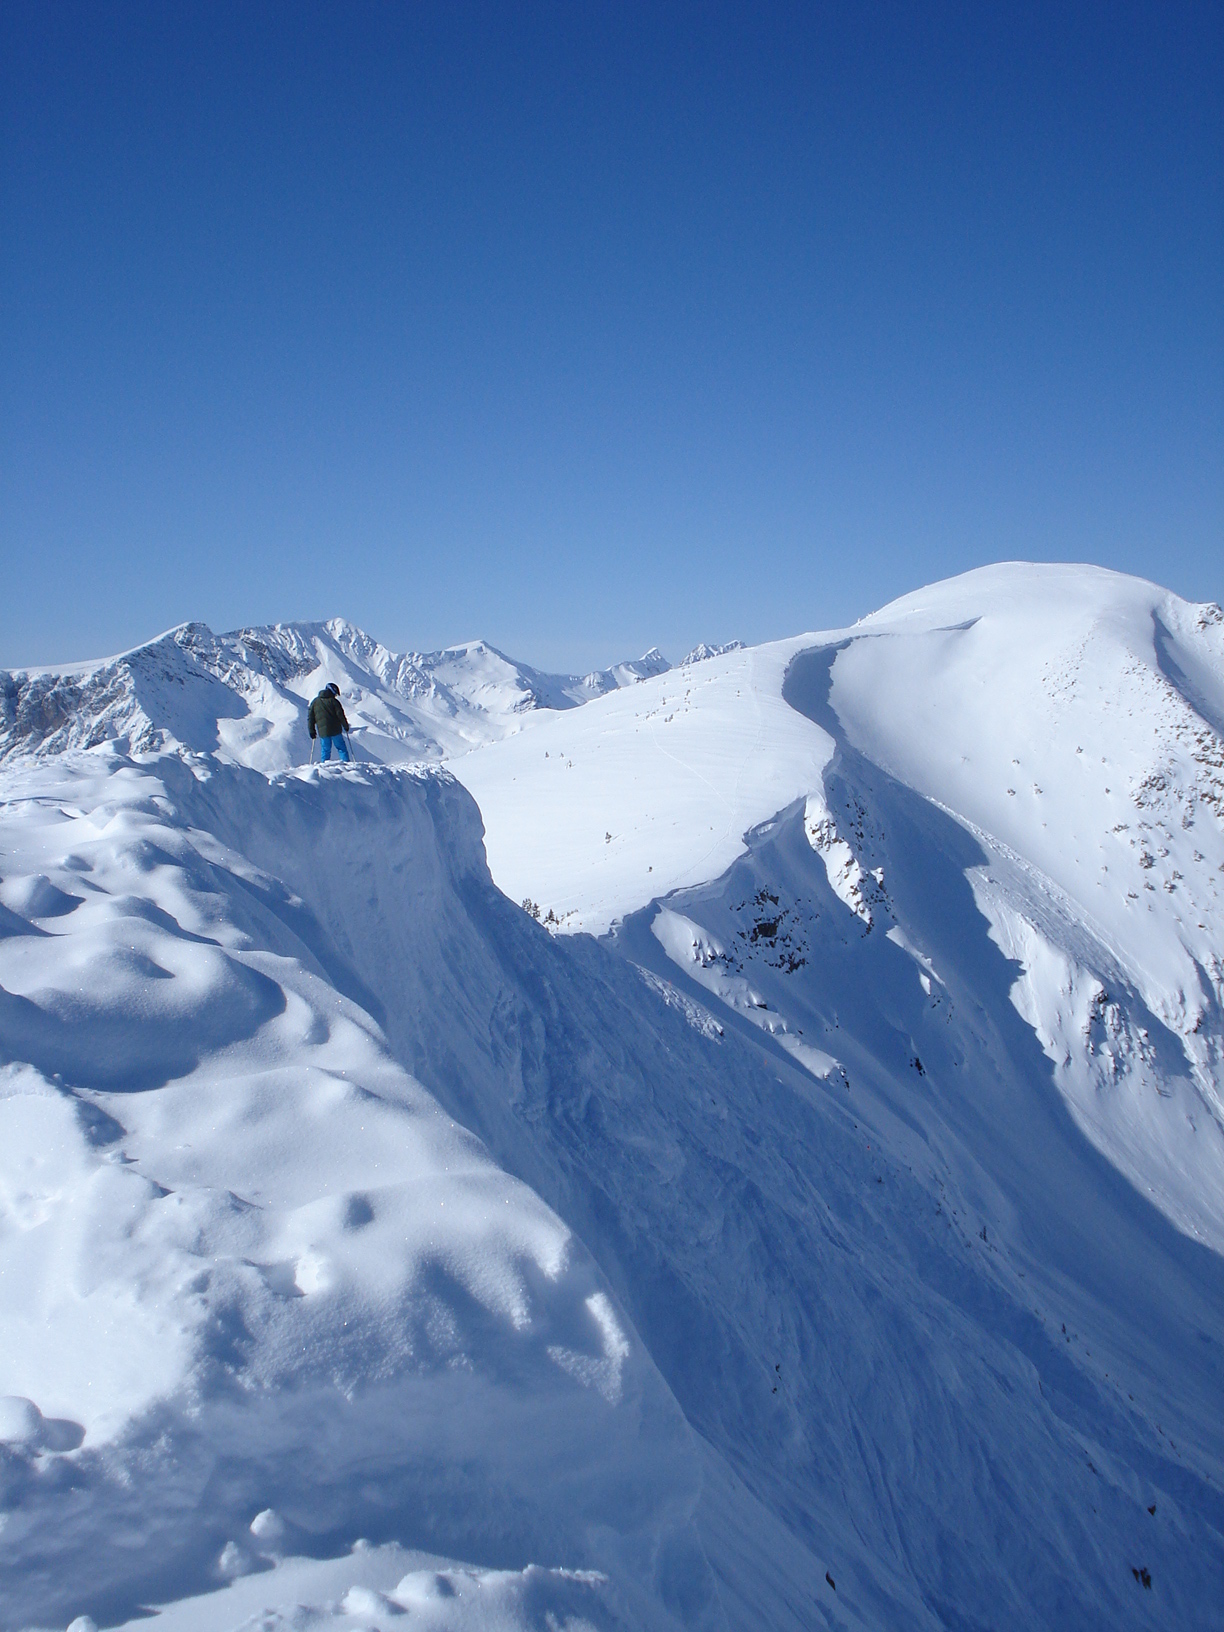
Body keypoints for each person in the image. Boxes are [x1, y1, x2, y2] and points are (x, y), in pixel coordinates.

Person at [308, 682, 351, 762]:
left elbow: (311, 717)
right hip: (336, 730)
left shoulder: (315, 702)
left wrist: (311, 731)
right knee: (341, 748)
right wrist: (346, 726)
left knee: (325, 750)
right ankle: (346, 764)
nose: (335, 696)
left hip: (323, 732)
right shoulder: (334, 702)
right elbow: (341, 715)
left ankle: (324, 767)